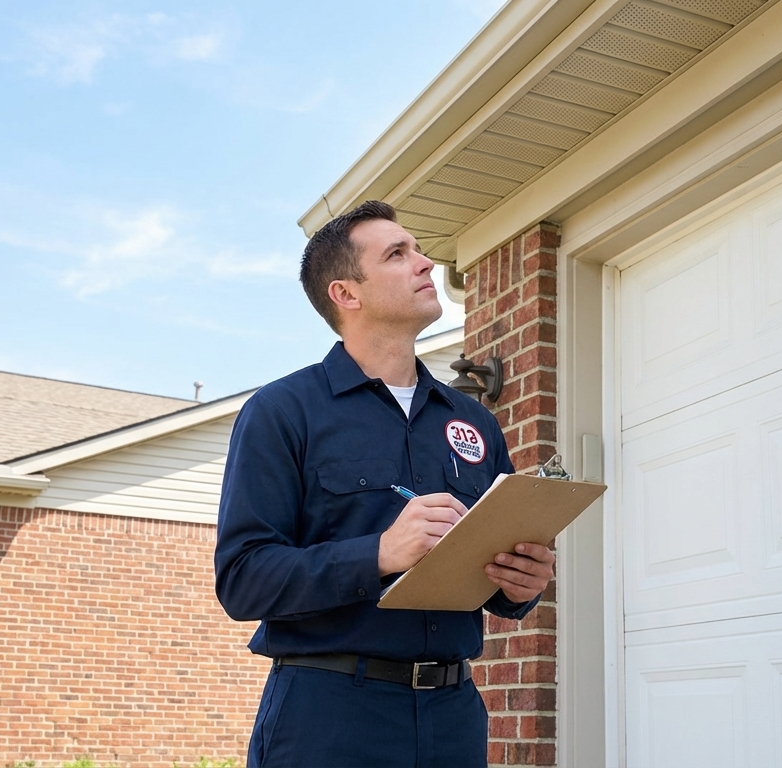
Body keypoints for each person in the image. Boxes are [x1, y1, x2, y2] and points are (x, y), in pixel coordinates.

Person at [214, 200, 556, 767]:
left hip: (454, 718)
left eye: (418, 249)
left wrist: (523, 583)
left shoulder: (473, 422)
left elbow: (495, 575)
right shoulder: (282, 412)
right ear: (346, 294)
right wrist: (379, 552)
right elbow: (244, 580)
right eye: (398, 254)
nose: (424, 264)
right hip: (328, 717)